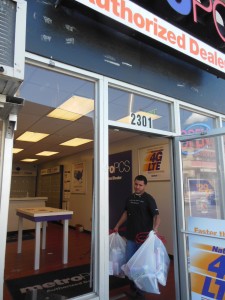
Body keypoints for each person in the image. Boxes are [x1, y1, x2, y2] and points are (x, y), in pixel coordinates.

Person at [113, 175, 160, 300]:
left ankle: (141, 294)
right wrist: (117, 225)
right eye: (136, 184)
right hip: (130, 237)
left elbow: (156, 215)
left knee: (140, 266)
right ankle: (133, 287)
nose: (137, 187)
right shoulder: (130, 198)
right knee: (129, 263)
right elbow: (125, 213)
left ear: (145, 185)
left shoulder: (149, 199)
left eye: (140, 185)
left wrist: (155, 228)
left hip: (143, 239)